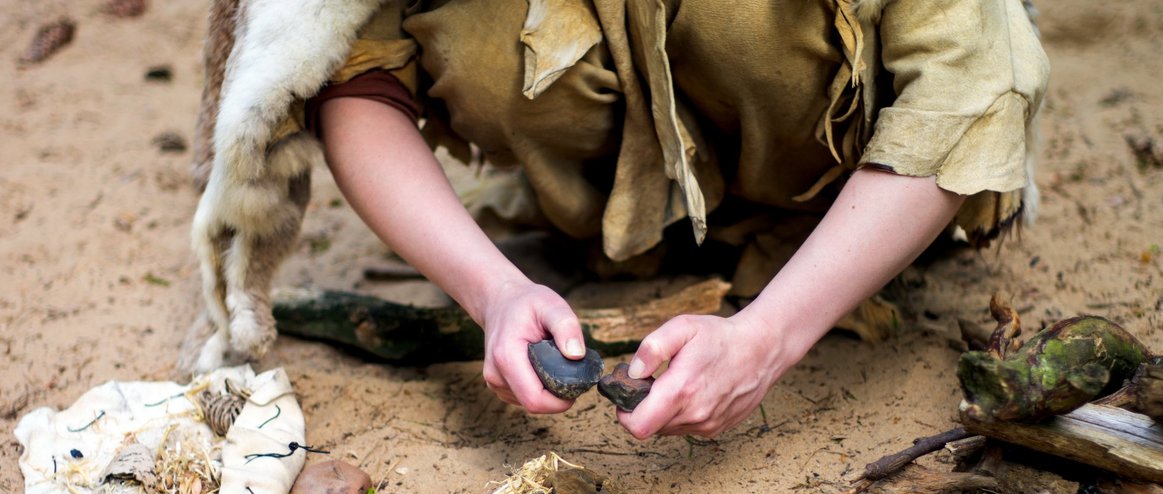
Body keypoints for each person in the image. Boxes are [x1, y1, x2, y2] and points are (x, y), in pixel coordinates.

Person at [186, 0, 1049, 440]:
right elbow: (349, 71)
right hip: (597, 214)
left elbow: (972, 93)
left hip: (833, 195)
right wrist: (493, 292)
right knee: (479, 28)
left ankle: (832, 251)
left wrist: (767, 337)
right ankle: (629, 223)